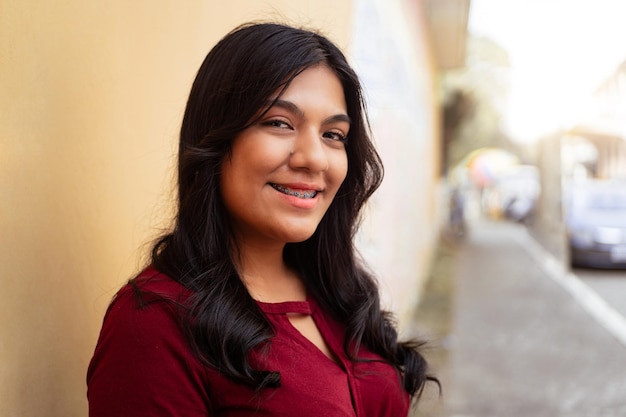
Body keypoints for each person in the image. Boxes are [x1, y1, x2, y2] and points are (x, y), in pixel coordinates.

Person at [87, 22, 438, 416]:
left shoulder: (342, 291)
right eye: (279, 123)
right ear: (216, 141)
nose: (314, 158)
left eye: (333, 134)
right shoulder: (155, 325)